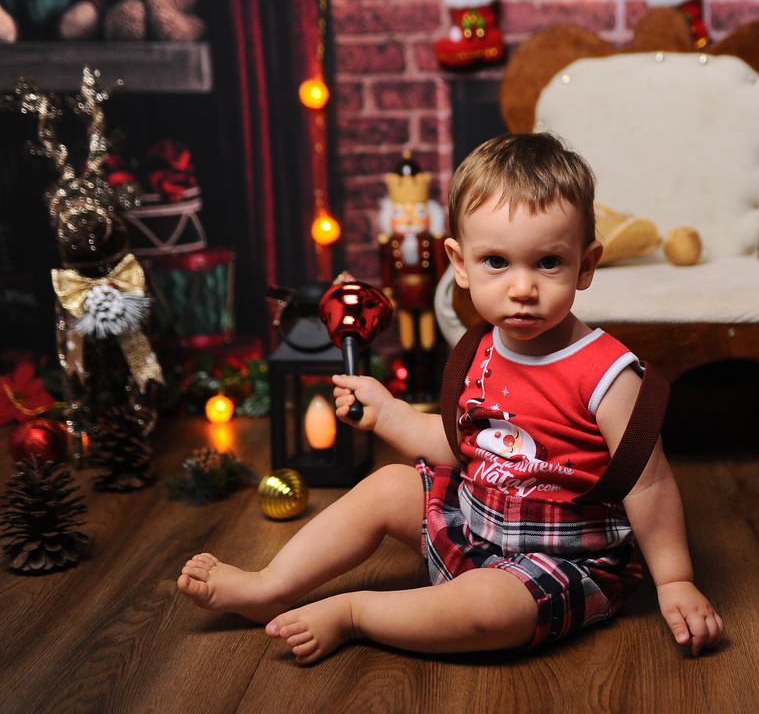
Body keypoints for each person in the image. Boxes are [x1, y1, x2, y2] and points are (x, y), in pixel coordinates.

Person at [177, 132, 724, 662]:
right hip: (474, 520)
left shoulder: (607, 373)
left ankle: (356, 613)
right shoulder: (478, 350)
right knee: (388, 486)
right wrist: (388, 413)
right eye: (496, 262)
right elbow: (462, 448)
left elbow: (649, 483)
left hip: (560, 558)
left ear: (585, 265)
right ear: (460, 264)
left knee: (491, 608)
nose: (522, 288)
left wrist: (675, 580)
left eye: (548, 262)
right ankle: (270, 585)